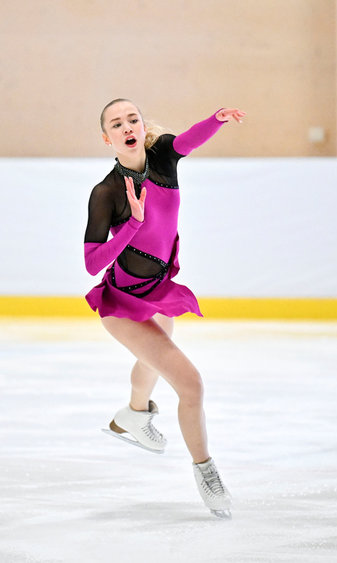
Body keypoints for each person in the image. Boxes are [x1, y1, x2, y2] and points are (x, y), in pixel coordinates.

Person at [83, 98, 244, 518]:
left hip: (157, 289)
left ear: (141, 126)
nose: (127, 127)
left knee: (152, 360)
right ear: (107, 138)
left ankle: (134, 415)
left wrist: (216, 119)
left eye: (132, 119)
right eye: (116, 124)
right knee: (191, 385)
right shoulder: (106, 193)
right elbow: (92, 263)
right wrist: (132, 225)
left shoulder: (163, 157)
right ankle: (206, 472)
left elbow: (189, 139)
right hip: (122, 300)